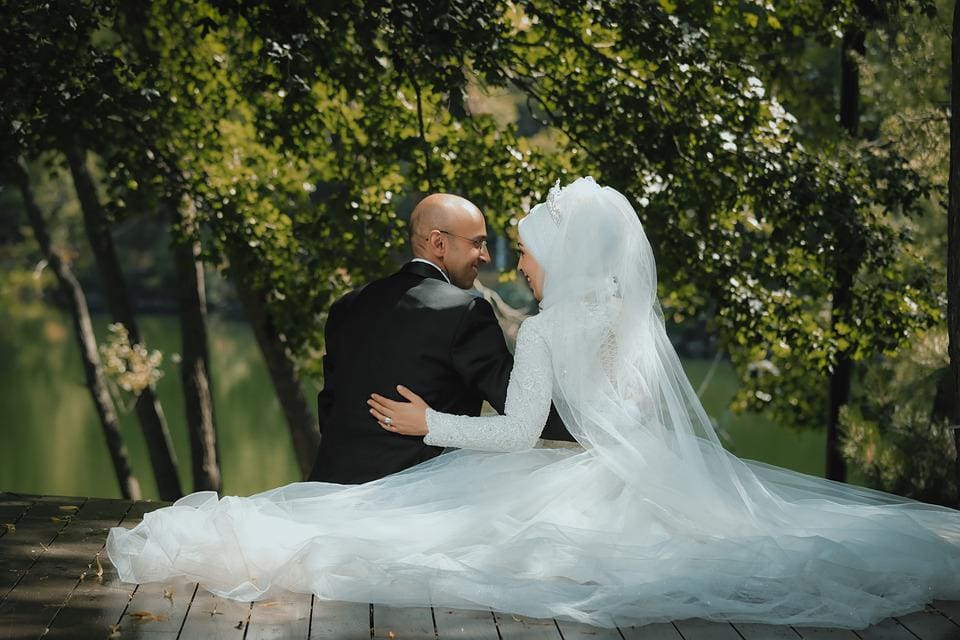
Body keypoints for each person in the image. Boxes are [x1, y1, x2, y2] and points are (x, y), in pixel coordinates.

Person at [107, 177, 960, 629]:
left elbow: (518, 431)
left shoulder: (531, 327)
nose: (511, 264)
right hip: (644, 471)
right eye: (494, 247)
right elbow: (599, 417)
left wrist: (428, 423)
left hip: (545, 470)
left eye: (519, 250)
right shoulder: (626, 318)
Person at [308, 192, 572, 484]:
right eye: (477, 243)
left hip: (329, 488)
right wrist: (594, 424)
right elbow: (521, 410)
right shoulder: (465, 312)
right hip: (411, 495)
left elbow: (329, 408)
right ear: (439, 243)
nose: (485, 256)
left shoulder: (347, 306)